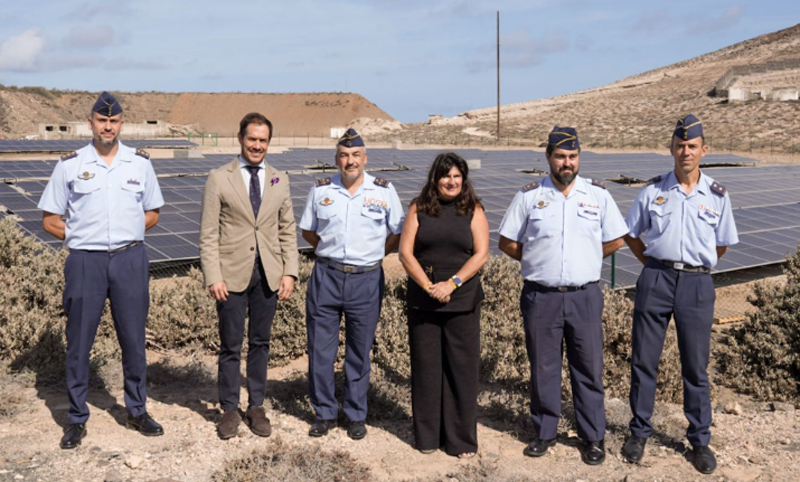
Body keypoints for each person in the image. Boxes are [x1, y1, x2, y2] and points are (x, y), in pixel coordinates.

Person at [38, 92, 165, 449]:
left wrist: (127, 233)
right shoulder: (69, 164)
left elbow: (153, 212)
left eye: (114, 121)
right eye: (101, 120)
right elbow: (50, 219)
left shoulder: (139, 163)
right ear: (90, 121)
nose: (107, 126)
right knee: (79, 343)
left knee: (134, 340)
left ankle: (136, 410)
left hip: (129, 259)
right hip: (85, 262)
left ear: (121, 123)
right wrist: (83, 237)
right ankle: (77, 418)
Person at [498, 127, 628, 465]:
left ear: (579, 157)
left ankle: (593, 437)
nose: (566, 163)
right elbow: (507, 240)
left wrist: (587, 257)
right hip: (541, 296)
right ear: (548, 158)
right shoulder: (529, 196)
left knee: (588, 368)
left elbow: (616, 238)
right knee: (544, 367)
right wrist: (536, 261)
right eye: (560, 156)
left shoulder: (598, 195)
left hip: (584, 296)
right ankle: (544, 432)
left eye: (572, 156)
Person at [621, 114, 738, 475]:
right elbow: (631, 234)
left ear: (704, 150)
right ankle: (639, 432)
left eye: (692, 146)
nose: (685, 152)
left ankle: (699, 440)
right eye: (680, 145)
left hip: (697, 285)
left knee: (695, 367)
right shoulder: (653, 190)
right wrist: (655, 262)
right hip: (655, 279)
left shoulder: (717, 196)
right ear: (671, 149)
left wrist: (694, 267)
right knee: (644, 361)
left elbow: (721, 245)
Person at [299, 128, 405, 440]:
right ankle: (324, 413)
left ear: (365, 158)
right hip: (327, 276)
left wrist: (375, 254)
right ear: (336, 159)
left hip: (366, 279)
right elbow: (308, 231)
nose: (350, 161)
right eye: (344, 155)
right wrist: (328, 251)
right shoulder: (320, 190)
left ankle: (356, 414)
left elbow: (396, 232)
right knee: (321, 350)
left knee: (359, 351)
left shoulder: (384, 191)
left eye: (356, 155)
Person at [199, 112, 298, 440]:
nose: (257, 145)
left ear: (269, 142)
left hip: (268, 275)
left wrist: (290, 272)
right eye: (252, 139)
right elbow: (208, 232)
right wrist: (213, 275)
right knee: (230, 344)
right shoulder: (219, 178)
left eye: (263, 140)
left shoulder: (278, 178)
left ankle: (256, 407)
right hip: (231, 274)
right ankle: (228, 409)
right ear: (240, 138)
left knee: (261, 342)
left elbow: (287, 230)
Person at [398, 152, 489, 458]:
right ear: (435, 179)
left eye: (456, 176)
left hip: (462, 301)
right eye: (445, 176)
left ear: (463, 179)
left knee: (461, 371)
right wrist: (428, 287)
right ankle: (427, 438)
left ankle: (460, 441)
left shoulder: (473, 210)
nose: (451, 182)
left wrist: (452, 284)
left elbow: (481, 254)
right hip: (424, 302)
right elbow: (405, 254)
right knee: (426, 370)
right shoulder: (418, 208)